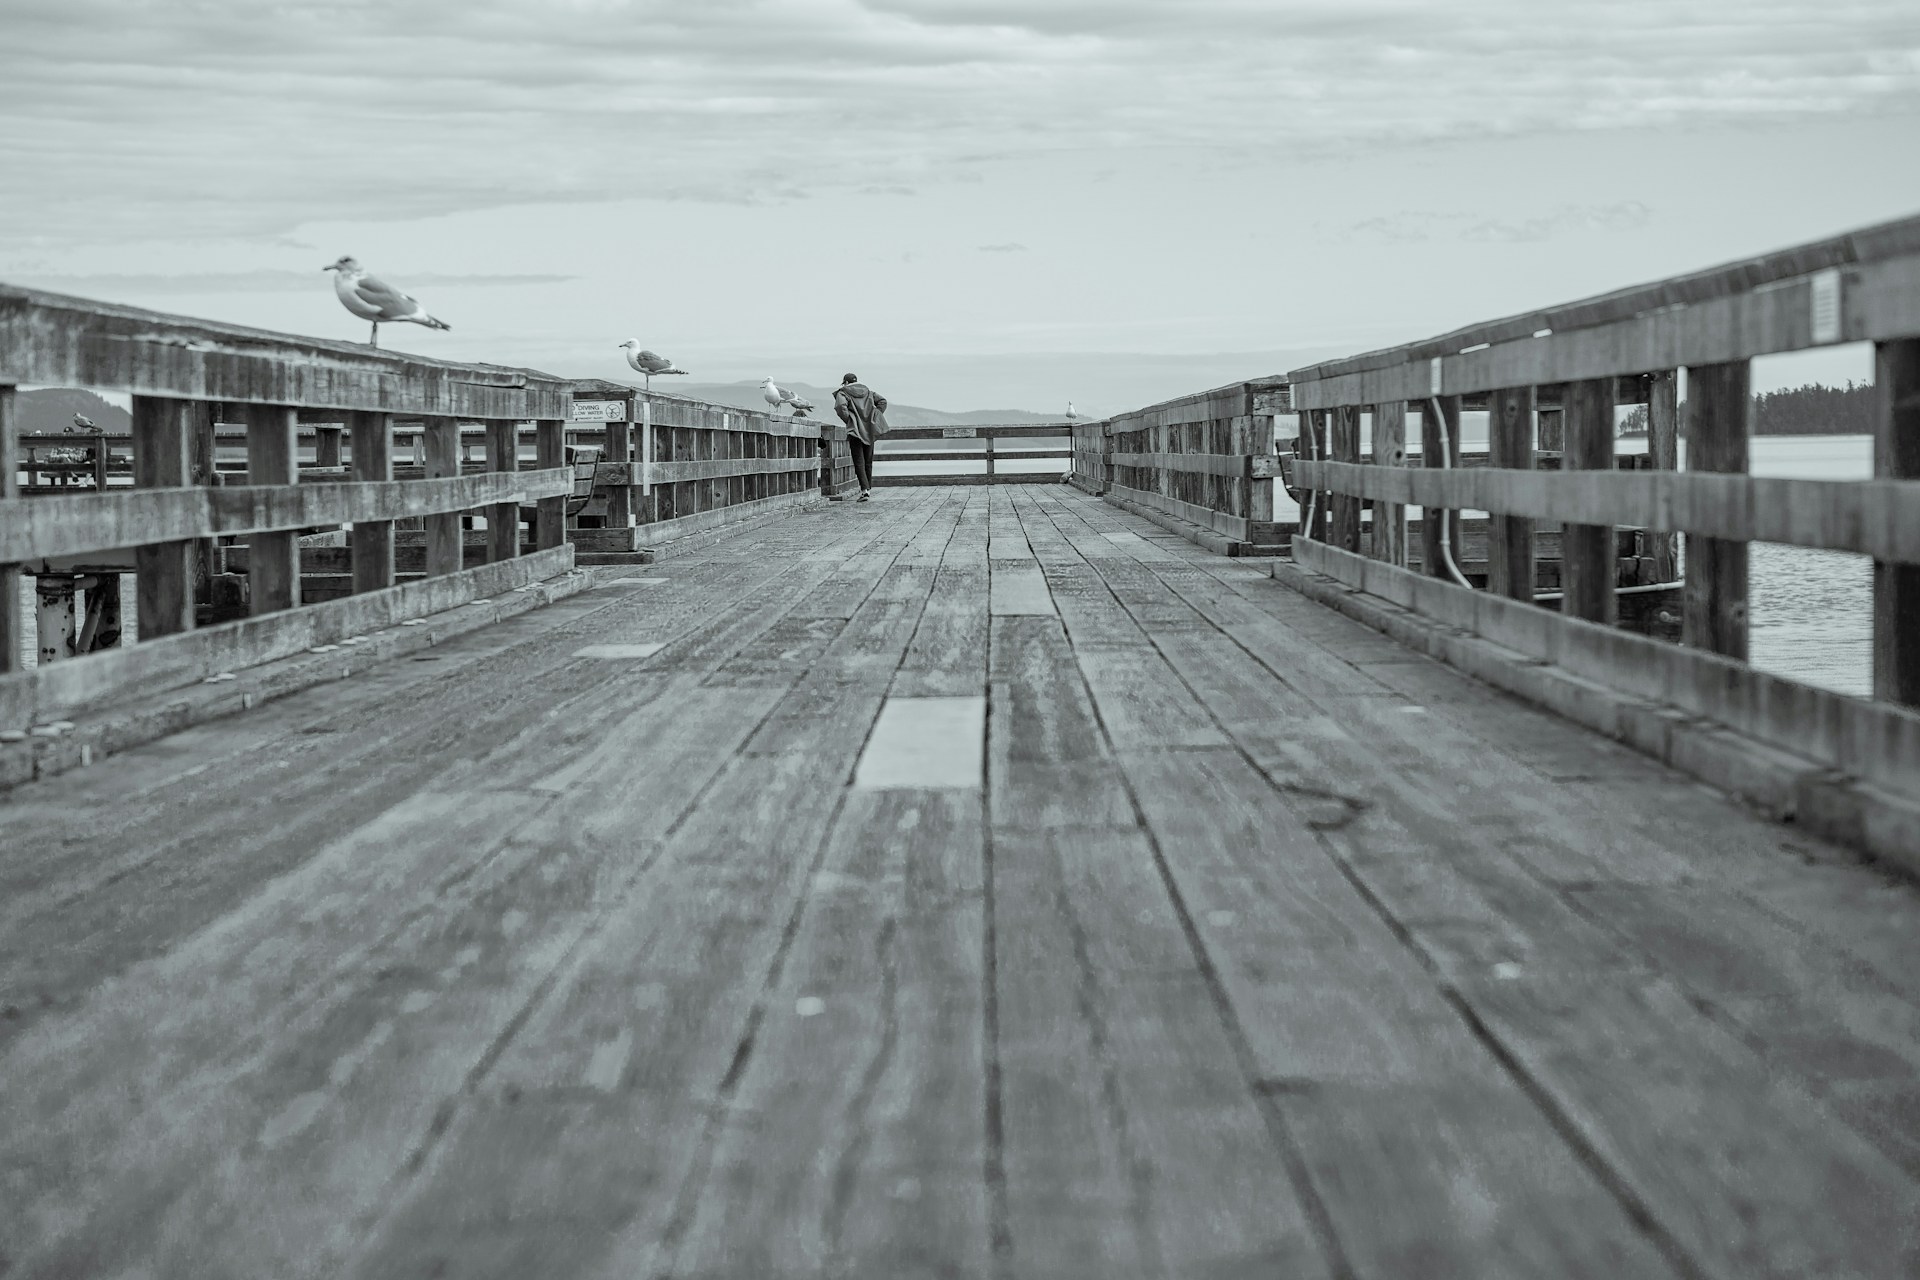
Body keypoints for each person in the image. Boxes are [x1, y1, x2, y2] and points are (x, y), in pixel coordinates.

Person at [832, 372, 887, 502]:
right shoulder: (867, 391)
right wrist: (874, 417)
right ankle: (868, 489)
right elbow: (882, 401)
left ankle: (864, 490)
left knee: (859, 462)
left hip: (855, 431)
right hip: (869, 430)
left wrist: (850, 420)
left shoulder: (843, 392)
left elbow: (840, 406)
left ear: (845, 382)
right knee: (868, 461)